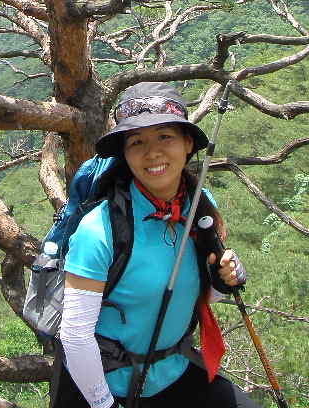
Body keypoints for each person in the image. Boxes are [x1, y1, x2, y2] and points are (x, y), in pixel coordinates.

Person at [55, 82, 257, 408]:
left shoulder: (199, 205)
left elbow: (197, 293)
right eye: (137, 142)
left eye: (165, 136)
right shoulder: (99, 231)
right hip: (105, 387)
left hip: (173, 373)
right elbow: (75, 337)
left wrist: (224, 278)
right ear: (124, 153)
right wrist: (104, 404)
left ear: (188, 143)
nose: (152, 153)